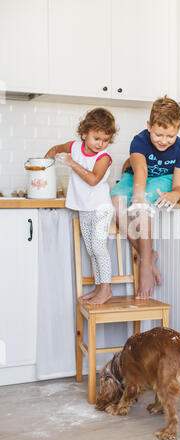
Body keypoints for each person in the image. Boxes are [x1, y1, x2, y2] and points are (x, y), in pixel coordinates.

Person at [111, 96, 180, 300]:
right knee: (115, 202)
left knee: (142, 207)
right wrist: (137, 195)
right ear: (149, 126)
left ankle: (144, 266)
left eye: (170, 136)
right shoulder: (140, 140)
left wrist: (174, 194)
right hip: (134, 175)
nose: (164, 140)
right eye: (159, 134)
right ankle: (149, 255)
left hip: (163, 178)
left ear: (178, 129)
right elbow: (141, 170)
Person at [45, 107, 117, 304]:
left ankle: (106, 289)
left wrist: (71, 163)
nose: (101, 144)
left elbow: (93, 180)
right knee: (91, 249)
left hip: (101, 208)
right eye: (96, 138)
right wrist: (45, 166)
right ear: (84, 133)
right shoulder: (75, 147)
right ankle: (99, 287)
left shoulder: (104, 157)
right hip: (84, 208)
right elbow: (54, 149)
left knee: (99, 247)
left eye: (105, 140)